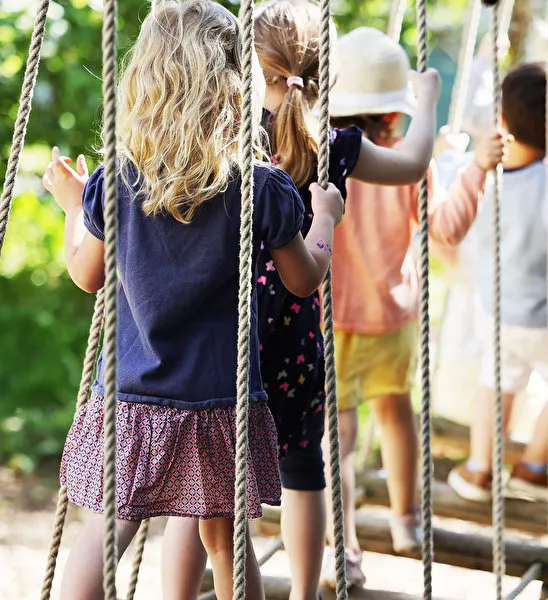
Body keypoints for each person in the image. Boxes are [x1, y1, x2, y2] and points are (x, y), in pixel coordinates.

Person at [41, 2, 343, 599]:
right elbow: (303, 279)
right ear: (238, 86)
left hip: (133, 396)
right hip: (218, 402)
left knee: (109, 526)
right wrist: (325, 219)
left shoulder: (117, 181)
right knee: (225, 537)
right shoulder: (261, 186)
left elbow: (86, 273)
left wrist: (76, 208)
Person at [159, 4, 442, 600]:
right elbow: (414, 164)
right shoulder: (336, 145)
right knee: (303, 470)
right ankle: (308, 593)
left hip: (223, 346)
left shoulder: (221, 134)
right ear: (326, 76)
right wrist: (430, 98)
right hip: (296, 339)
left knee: (197, 492)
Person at [321, 26, 492, 590]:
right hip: (391, 318)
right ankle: (407, 521)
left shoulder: (320, 158)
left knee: (337, 440)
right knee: (397, 416)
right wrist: (474, 171)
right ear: (396, 112)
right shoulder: (407, 164)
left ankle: (341, 550)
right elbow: (445, 232)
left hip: (331, 319)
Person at [442, 63, 548, 503]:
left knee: (497, 385)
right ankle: (534, 466)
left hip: (498, 315)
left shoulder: (485, 179)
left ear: (501, 119)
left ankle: (480, 469)